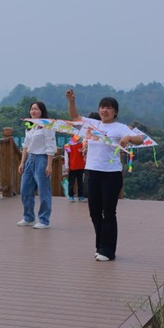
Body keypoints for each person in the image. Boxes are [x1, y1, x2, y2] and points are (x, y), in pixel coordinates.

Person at [66, 90, 144, 261]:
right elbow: (74, 117)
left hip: (111, 174)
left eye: (108, 108)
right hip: (92, 172)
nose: (104, 110)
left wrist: (128, 137)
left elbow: (141, 139)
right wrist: (71, 101)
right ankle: (100, 245)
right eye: (102, 107)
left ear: (115, 112)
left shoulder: (120, 127)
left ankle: (108, 251)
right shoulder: (92, 125)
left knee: (109, 212)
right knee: (94, 212)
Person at [17, 101, 57, 229]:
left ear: (42, 111)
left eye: (36, 109)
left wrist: (49, 165)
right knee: (25, 190)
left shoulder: (47, 126)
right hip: (30, 159)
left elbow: (50, 146)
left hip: (42, 159)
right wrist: (22, 162)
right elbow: (25, 145)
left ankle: (44, 220)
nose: (33, 111)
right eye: (32, 109)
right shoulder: (29, 124)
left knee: (43, 191)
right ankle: (28, 217)